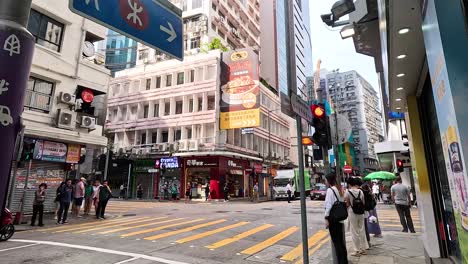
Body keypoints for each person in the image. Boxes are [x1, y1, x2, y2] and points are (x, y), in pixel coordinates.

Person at [324, 173, 348, 264]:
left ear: (328, 180)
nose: (325, 181)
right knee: (341, 243)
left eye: (326, 180)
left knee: (337, 243)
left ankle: (340, 262)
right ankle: (344, 261)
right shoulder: (339, 189)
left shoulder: (330, 190)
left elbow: (328, 205)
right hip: (339, 218)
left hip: (333, 219)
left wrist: (326, 218)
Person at [345, 177, 369, 256]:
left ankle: (357, 250)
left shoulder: (348, 192)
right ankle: (364, 248)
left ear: (349, 184)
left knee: (354, 231)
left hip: (352, 212)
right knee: (362, 230)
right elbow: (363, 202)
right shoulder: (360, 192)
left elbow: (347, 204)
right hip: (361, 212)